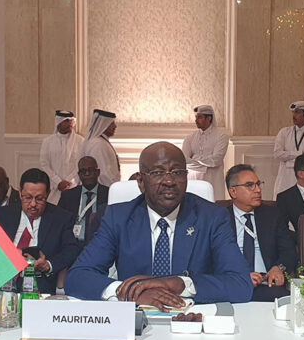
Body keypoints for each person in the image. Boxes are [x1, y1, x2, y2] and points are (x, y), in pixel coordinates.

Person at [65, 142, 252, 310]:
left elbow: (241, 284)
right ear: (141, 182)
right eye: (157, 173)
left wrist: (181, 284)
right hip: (134, 321)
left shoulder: (211, 217)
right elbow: (78, 276)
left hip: (191, 320)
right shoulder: (118, 218)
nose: (169, 181)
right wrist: (130, 293)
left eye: (177, 172)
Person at [0, 168, 80, 294]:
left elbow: (71, 250)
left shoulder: (61, 218)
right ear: (20, 193)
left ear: (48, 194)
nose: (33, 204)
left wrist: (48, 265)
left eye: (39, 198)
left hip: (39, 287)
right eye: (28, 197)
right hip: (1, 286)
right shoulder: (1, 215)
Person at [224, 164, 297, 302]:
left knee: (285, 301)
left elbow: (289, 251)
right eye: (250, 185)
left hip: (267, 283)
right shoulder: (220, 218)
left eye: (258, 184)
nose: (258, 190)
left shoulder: (272, 215)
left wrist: (278, 268)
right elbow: (213, 258)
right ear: (233, 191)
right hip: (233, 283)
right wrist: (240, 276)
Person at [272, 101, 304, 200]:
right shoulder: (284, 132)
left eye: (297, 112)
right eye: (293, 112)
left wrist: (287, 159)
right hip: (285, 179)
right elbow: (277, 154)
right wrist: (299, 154)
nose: (293, 116)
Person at [57, 156, 110, 246]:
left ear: (98, 172)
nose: (87, 174)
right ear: (79, 174)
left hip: (99, 244)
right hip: (72, 244)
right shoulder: (68, 196)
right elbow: (59, 222)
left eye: (91, 170)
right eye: (83, 171)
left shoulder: (108, 194)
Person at [182, 105, 230, 200]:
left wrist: (194, 159)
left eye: (199, 117)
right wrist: (205, 165)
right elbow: (183, 160)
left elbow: (216, 160)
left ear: (209, 118)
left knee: (213, 203)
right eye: (196, 117)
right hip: (193, 179)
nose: (196, 120)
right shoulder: (190, 138)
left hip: (213, 179)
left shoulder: (221, 137)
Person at [39, 110, 85, 204]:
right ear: (59, 122)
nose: (70, 123)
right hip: (54, 188)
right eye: (66, 121)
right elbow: (44, 164)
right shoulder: (47, 142)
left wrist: (68, 182)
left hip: (73, 186)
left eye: (71, 120)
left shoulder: (80, 141)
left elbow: (81, 164)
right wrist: (58, 181)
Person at [80, 109, 120, 186]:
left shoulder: (101, 142)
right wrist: (112, 188)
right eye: (112, 124)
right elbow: (102, 173)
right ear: (103, 125)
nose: (115, 126)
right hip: (104, 188)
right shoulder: (98, 144)